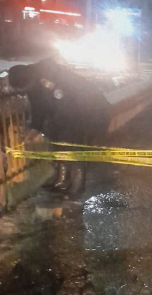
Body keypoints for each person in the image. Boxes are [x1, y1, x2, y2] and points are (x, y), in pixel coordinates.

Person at [8, 58, 112, 200]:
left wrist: (56, 125)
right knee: (59, 143)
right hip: (69, 112)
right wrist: (35, 128)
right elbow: (38, 108)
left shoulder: (54, 76)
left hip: (89, 109)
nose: (25, 91)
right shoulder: (33, 83)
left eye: (25, 88)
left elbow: (68, 105)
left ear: (29, 79)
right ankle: (62, 182)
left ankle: (77, 186)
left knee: (73, 146)